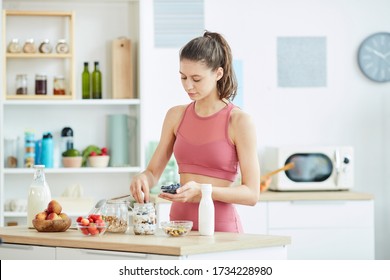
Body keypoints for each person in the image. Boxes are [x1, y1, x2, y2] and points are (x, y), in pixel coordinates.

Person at [130, 31, 260, 233]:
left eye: (196, 79)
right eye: (183, 77)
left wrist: (204, 191)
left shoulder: (239, 121)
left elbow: (252, 194)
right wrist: (143, 179)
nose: (188, 86)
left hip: (221, 229)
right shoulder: (176, 115)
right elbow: (153, 173)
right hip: (178, 226)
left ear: (218, 73)